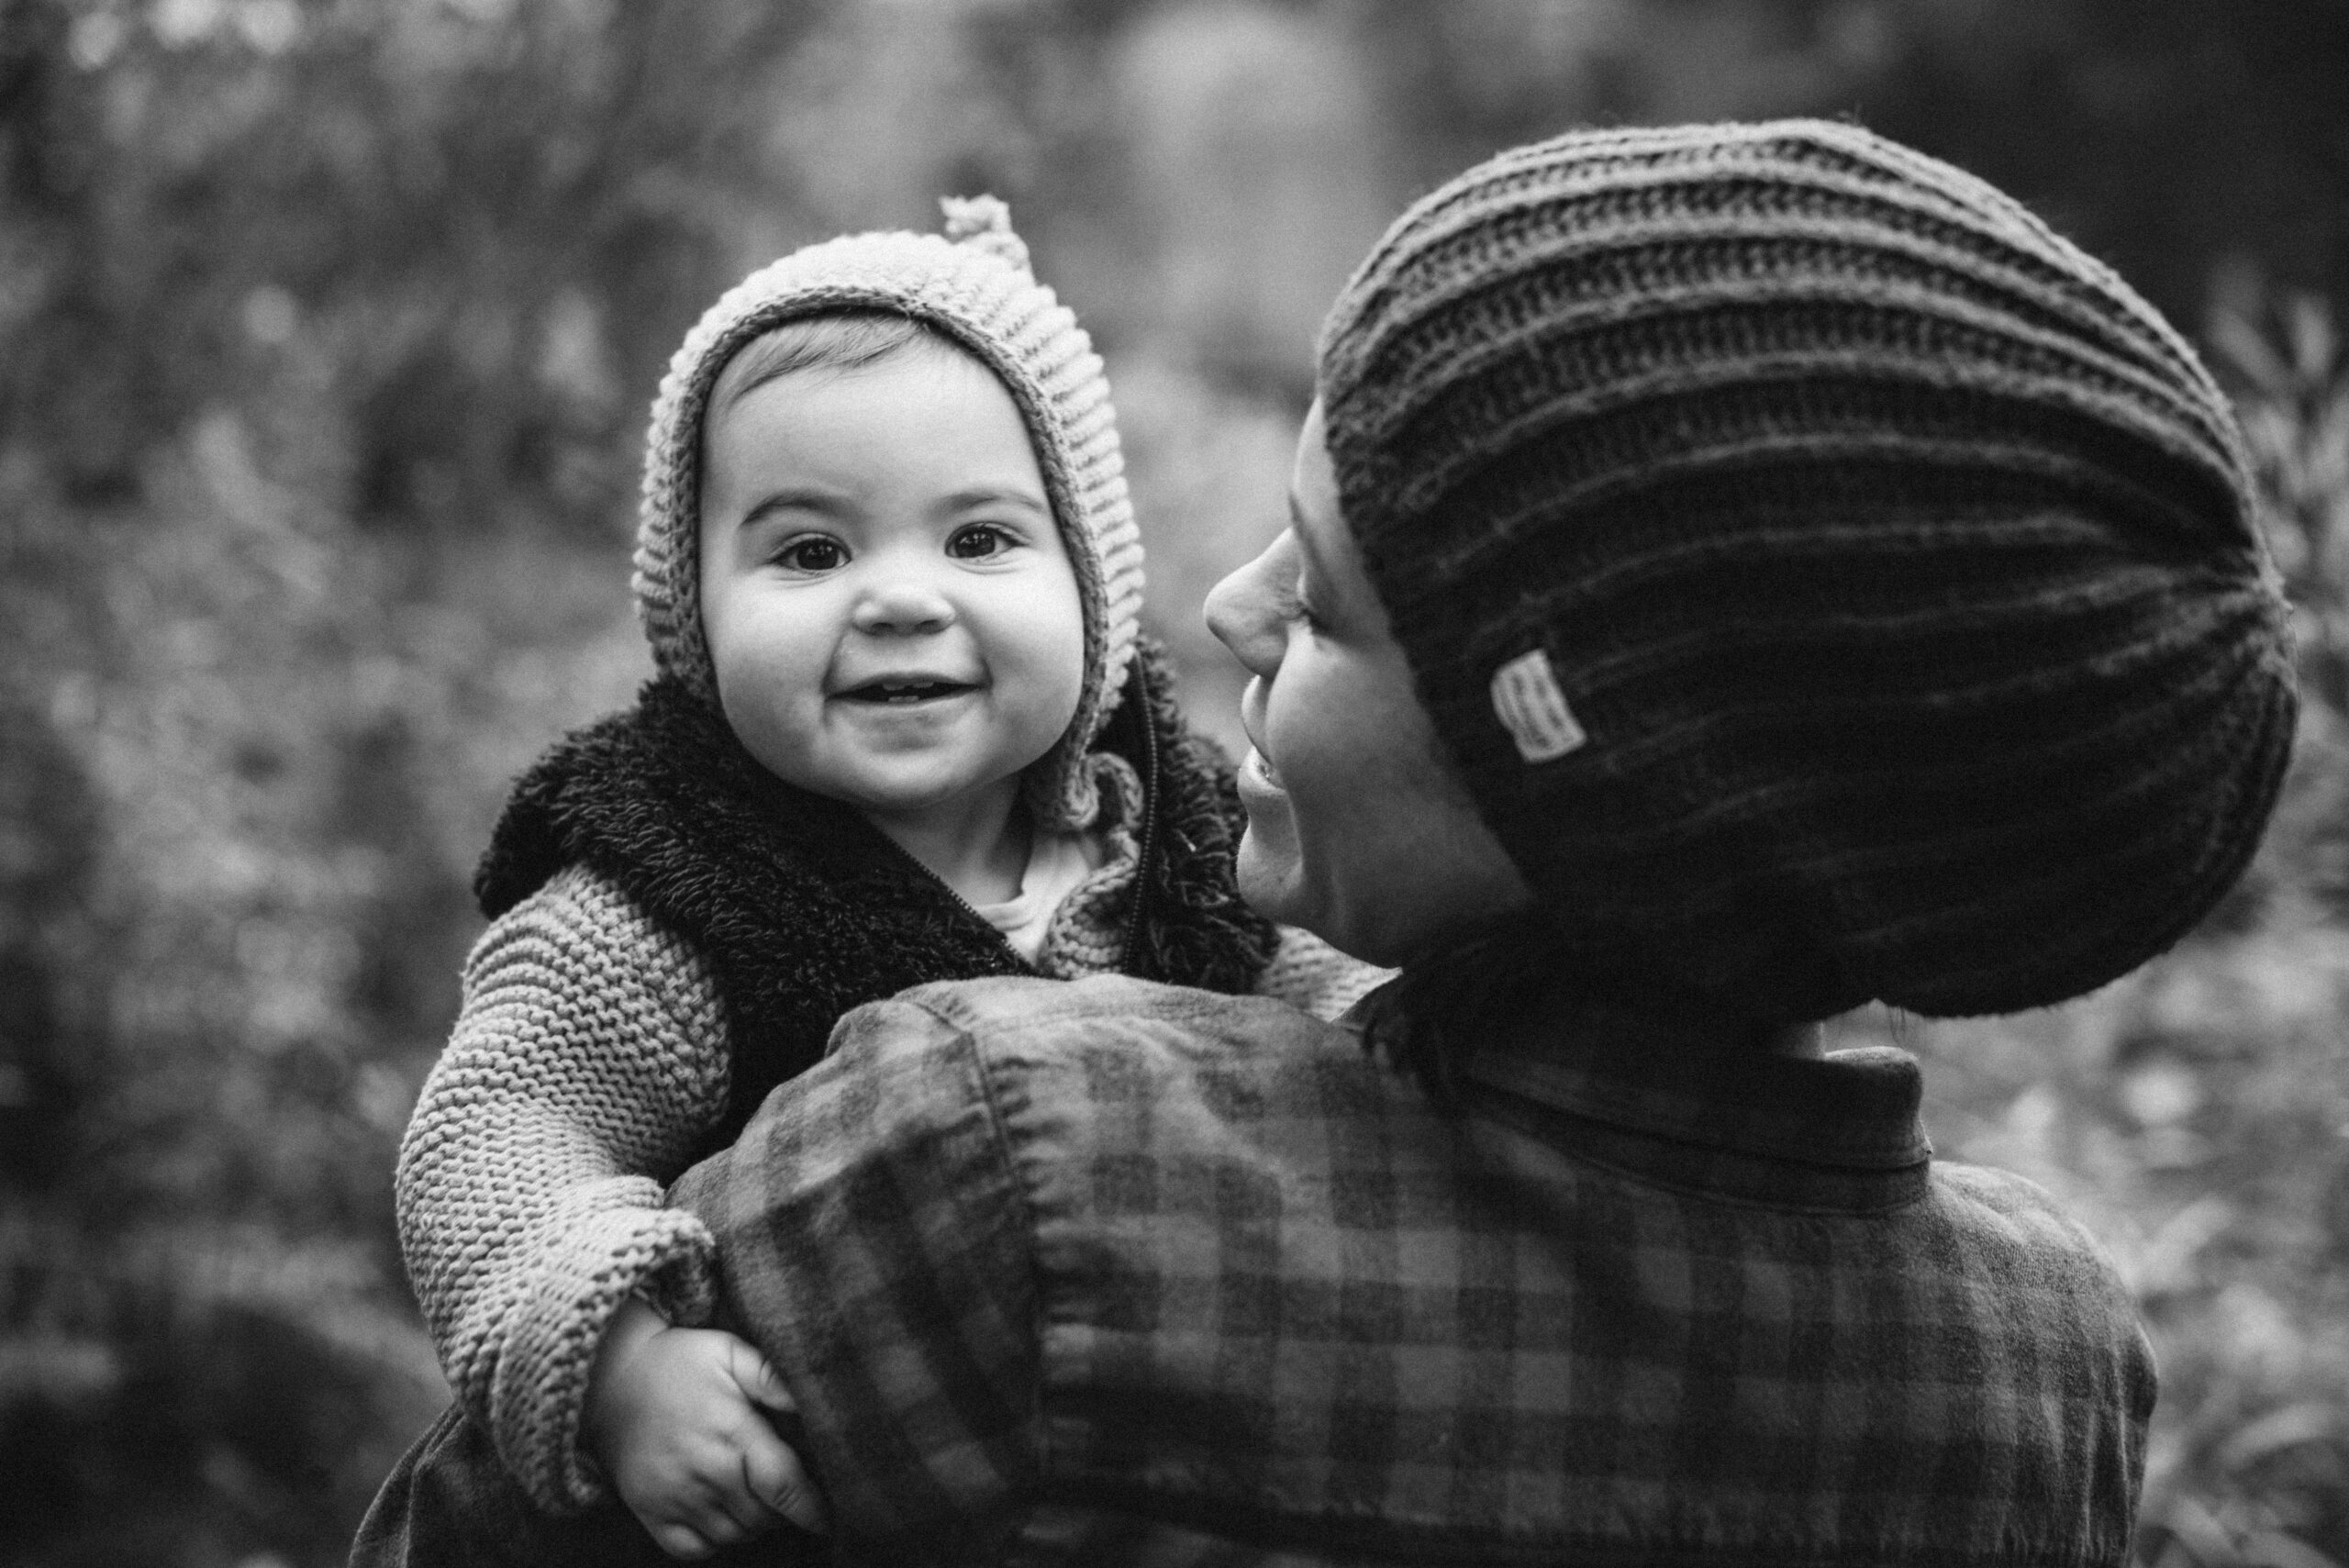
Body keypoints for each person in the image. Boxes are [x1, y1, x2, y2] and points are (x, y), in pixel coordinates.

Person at [662, 119, 2299, 1564]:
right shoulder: (2044, 1373)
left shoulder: (1001, 1148)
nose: (1230, 609)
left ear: (1584, 774)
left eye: (1327, 601)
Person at [355, 198, 1379, 1565]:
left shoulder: (1171, 850)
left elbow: (1339, 1020)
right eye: (810, 552)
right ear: (692, 610)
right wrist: (621, 1364)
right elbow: (496, 1129)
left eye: (978, 541)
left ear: (1093, 584)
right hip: (816, 1489)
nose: (898, 598)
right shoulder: (670, 897)